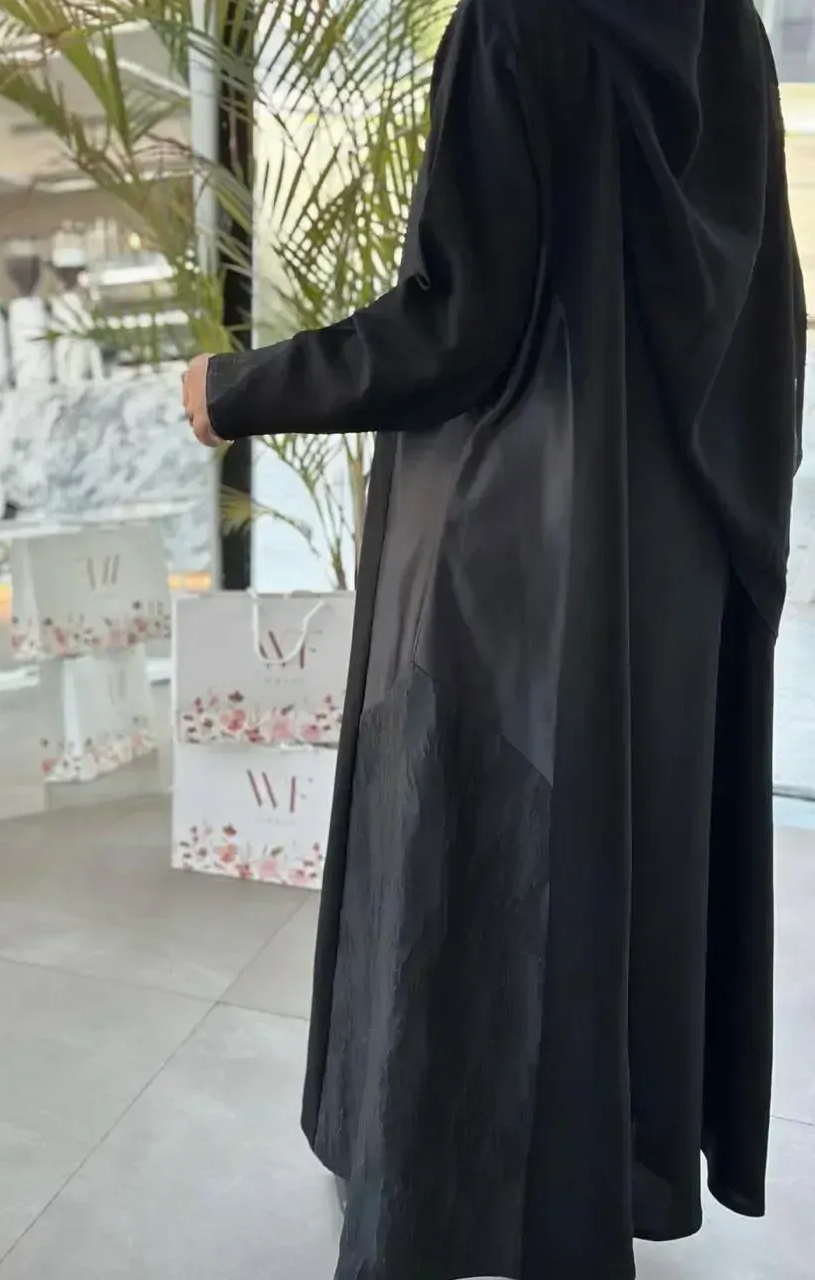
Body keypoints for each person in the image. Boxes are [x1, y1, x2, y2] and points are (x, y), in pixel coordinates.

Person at [183, 2, 804, 1278]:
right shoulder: (725, 22)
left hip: (515, 541)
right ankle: (591, 1179)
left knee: (480, 849)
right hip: (672, 534)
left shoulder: (517, 17)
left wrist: (234, 387)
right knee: (615, 860)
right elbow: (761, 305)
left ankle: (457, 1185)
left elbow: (456, 320)